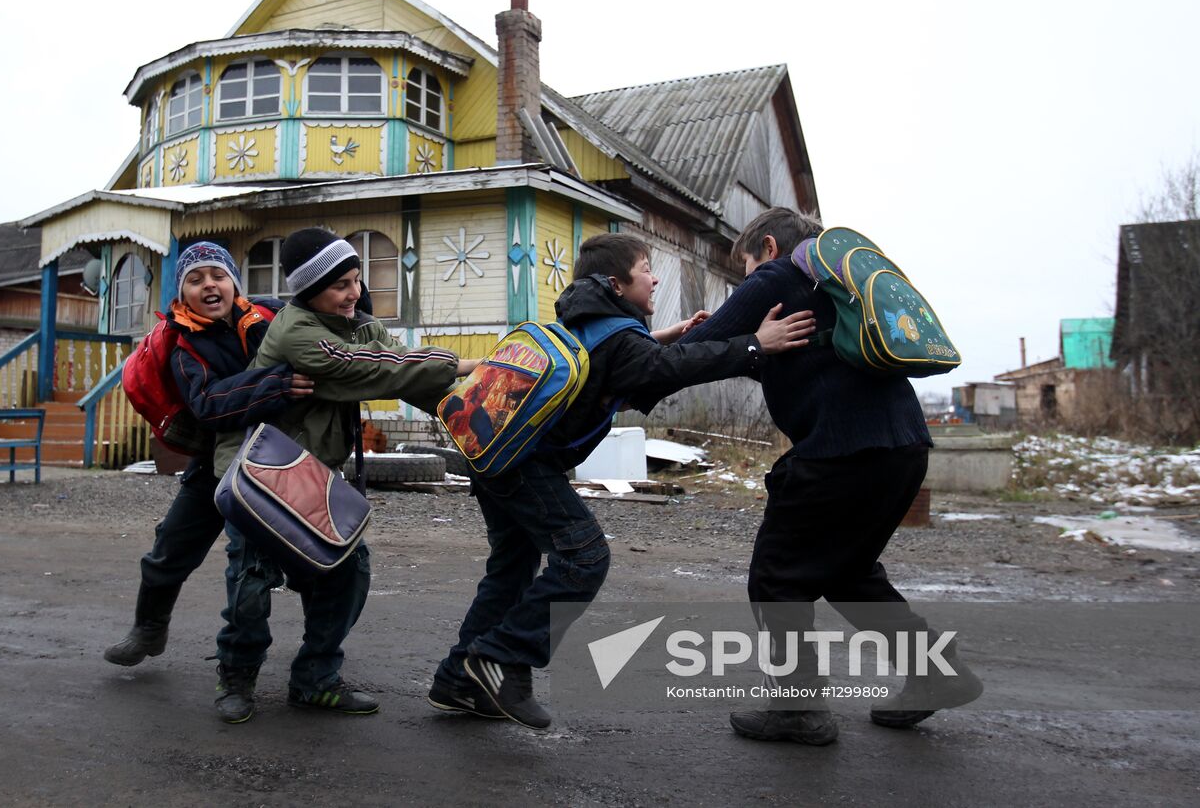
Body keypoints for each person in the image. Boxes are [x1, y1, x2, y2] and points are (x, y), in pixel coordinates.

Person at [428, 232, 816, 729]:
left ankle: (458, 682)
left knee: (511, 571)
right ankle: (501, 659)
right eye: (646, 268)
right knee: (585, 557)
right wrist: (753, 345)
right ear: (616, 282)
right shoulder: (619, 335)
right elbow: (663, 371)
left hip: (498, 461)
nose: (655, 277)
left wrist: (668, 335)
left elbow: (626, 363)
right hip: (528, 468)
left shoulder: (585, 319)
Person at [673, 207, 983, 746]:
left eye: (743, 266)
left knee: (778, 578)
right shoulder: (829, 286)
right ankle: (937, 673)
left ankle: (796, 711)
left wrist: (636, 362)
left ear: (767, 248)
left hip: (843, 453)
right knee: (847, 574)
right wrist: (747, 349)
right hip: (902, 447)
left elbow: (689, 356)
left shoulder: (775, 278)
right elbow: (784, 358)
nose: (745, 280)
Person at [214, 227, 479, 718]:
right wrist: (462, 364)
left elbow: (403, 367)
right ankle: (237, 678)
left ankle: (316, 678)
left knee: (347, 571)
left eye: (357, 281)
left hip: (314, 472)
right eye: (341, 285)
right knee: (252, 578)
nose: (355, 293)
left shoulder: (358, 325)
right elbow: (376, 369)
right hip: (264, 472)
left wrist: (482, 403)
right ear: (311, 290)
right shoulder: (297, 331)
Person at [102, 241, 315, 725]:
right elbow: (209, 405)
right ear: (184, 294)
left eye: (216, 275)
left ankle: (320, 658)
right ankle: (150, 629)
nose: (208, 286)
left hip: (282, 460)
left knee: (299, 565)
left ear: (234, 282)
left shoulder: (269, 317)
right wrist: (276, 385)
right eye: (195, 280)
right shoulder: (183, 342)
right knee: (170, 549)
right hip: (215, 462)